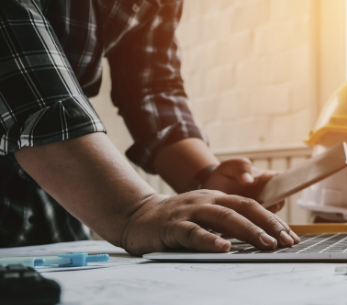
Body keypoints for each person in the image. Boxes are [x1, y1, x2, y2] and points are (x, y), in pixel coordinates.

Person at [0, 0, 300, 255]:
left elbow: (151, 88)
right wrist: (136, 211)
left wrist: (204, 176)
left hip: (56, 209)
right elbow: (22, 81)